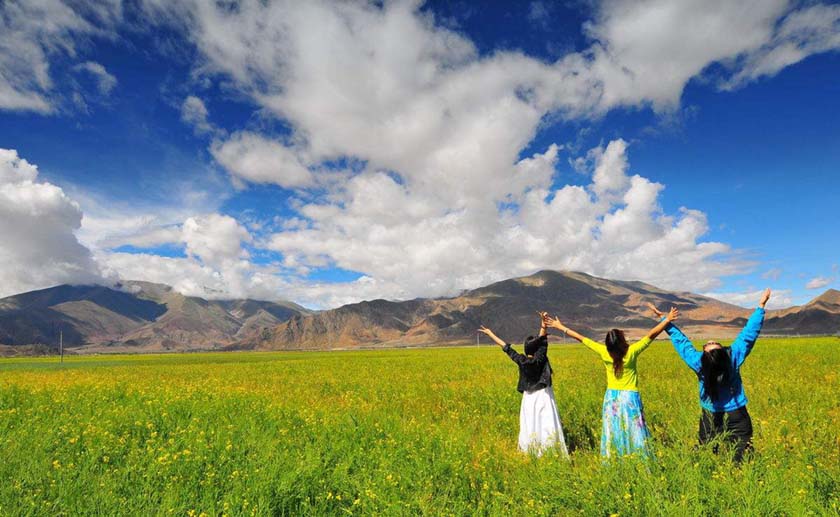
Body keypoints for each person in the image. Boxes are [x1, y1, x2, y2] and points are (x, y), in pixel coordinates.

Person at [646, 288, 770, 463]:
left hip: (710, 416)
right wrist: (761, 306)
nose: (710, 341)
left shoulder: (699, 363)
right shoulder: (732, 357)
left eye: (709, 344)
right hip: (737, 415)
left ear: (704, 354)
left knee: (707, 453)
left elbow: (681, 342)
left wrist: (664, 320)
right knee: (743, 455)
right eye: (713, 344)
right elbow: (749, 334)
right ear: (723, 352)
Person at [543, 308, 678, 458]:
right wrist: (667, 319)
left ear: (608, 344)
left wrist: (560, 327)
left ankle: (614, 459)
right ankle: (639, 459)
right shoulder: (631, 352)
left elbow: (581, 338)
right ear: (622, 341)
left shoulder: (603, 352)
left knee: (613, 430)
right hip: (630, 398)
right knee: (635, 431)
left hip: (611, 398)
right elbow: (651, 335)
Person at [478, 313, 568, 456]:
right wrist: (543, 324)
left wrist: (490, 333)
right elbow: (543, 341)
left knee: (530, 423)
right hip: (544, 396)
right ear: (538, 349)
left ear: (526, 350)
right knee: (547, 424)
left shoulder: (521, 360)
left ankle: (531, 450)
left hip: (529, 398)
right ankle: (549, 451)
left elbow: (506, 347)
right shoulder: (541, 358)